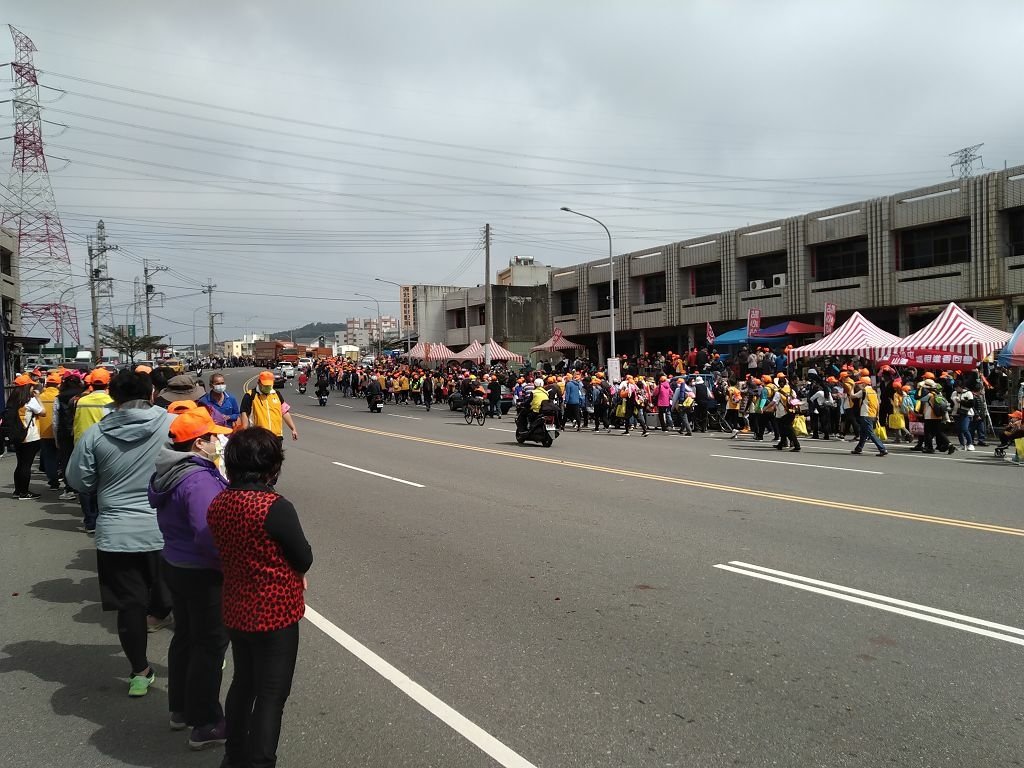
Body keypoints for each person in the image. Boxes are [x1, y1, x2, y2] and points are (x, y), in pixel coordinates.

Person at [207, 427, 312, 768]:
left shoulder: (220, 502)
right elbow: (303, 557)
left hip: (237, 606)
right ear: (271, 466)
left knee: (243, 684)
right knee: (271, 694)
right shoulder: (274, 507)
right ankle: (261, 761)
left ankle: (233, 755)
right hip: (275, 611)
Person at [66, 371, 174, 697]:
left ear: (114, 399)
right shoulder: (171, 424)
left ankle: (139, 673)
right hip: (167, 528)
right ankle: (203, 657)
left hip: (117, 533)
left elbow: (78, 481)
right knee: (182, 599)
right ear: (153, 393)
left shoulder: (96, 434)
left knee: (130, 606)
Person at [149, 406, 232, 748]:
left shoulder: (170, 470)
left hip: (176, 562)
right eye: (213, 436)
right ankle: (206, 722)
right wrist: (230, 563)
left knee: (185, 637)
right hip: (201, 571)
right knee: (209, 645)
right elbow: (208, 532)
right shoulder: (197, 479)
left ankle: (181, 709)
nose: (217, 441)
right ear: (199, 443)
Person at [5, 374, 45, 500]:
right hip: (29, 437)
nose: (33, 388)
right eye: (31, 386)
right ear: (27, 387)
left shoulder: (12, 400)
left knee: (20, 464)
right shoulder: (30, 401)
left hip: (17, 436)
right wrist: (38, 398)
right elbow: (43, 412)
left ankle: (18, 490)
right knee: (26, 465)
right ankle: (24, 492)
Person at [239, 371, 299, 442]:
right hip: (258, 437)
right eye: (265, 385)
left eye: (269, 385)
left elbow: (285, 412)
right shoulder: (250, 395)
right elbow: (244, 413)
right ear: (259, 383)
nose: (267, 387)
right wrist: (244, 432)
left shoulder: (277, 394)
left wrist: (293, 429)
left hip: (276, 436)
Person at [849, 377, 888, 457]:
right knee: (863, 433)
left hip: (865, 414)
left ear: (864, 383)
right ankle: (858, 448)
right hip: (873, 414)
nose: (859, 385)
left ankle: (882, 449)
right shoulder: (874, 391)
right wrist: (877, 415)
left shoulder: (864, 390)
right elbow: (877, 404)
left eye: (860, 383)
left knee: (870, 433)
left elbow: (852, 396)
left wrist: (852, 387)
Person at [36, 372, 62, 491]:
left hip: (43, 433)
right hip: (59, 433)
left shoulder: (40, 397)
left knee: (49, 457)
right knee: (61, 457)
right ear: (58, 384)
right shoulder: (60, 397)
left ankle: (53, 481)